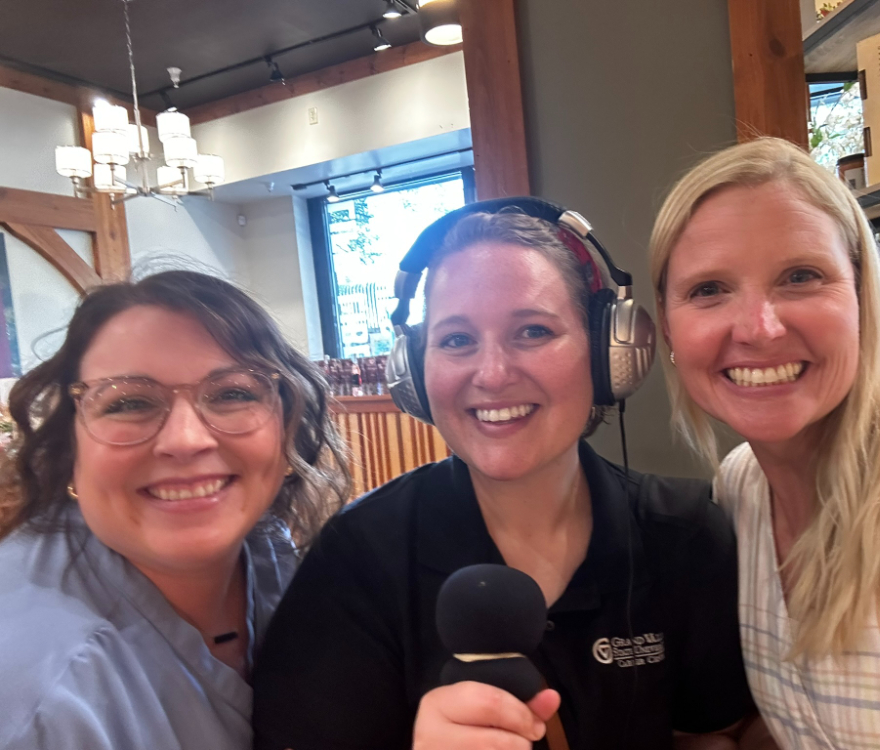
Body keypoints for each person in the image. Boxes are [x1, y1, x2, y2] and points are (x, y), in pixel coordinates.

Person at [254, 200, 774, 750]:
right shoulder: (357, 559)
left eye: (532, 331)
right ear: (414, 370)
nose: (494, 373)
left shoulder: (686, 533)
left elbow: (712, 737)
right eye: (456, 340)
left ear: (608, 354)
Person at [650, 137, 880, 748]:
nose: (759, 328)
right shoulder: (741, 489)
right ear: (667, 328)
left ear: (862, 297)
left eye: (801, 276)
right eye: (709, 289)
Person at [0, 270, 350, 750]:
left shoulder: (268, 546)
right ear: (69, 450)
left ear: (287, 429)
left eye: (232, 393)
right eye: (129, 403)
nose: (186, 440)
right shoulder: (35, 704)